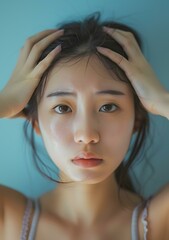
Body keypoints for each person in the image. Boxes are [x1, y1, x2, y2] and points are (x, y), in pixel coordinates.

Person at [0, 12, 169, 240]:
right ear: (36, 122)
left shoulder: (159, 223)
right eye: (62, 108)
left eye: (108, 106)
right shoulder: (8, 220)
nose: (87, 135)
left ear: (136, 119)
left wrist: (162, 99)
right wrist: (5, 101)